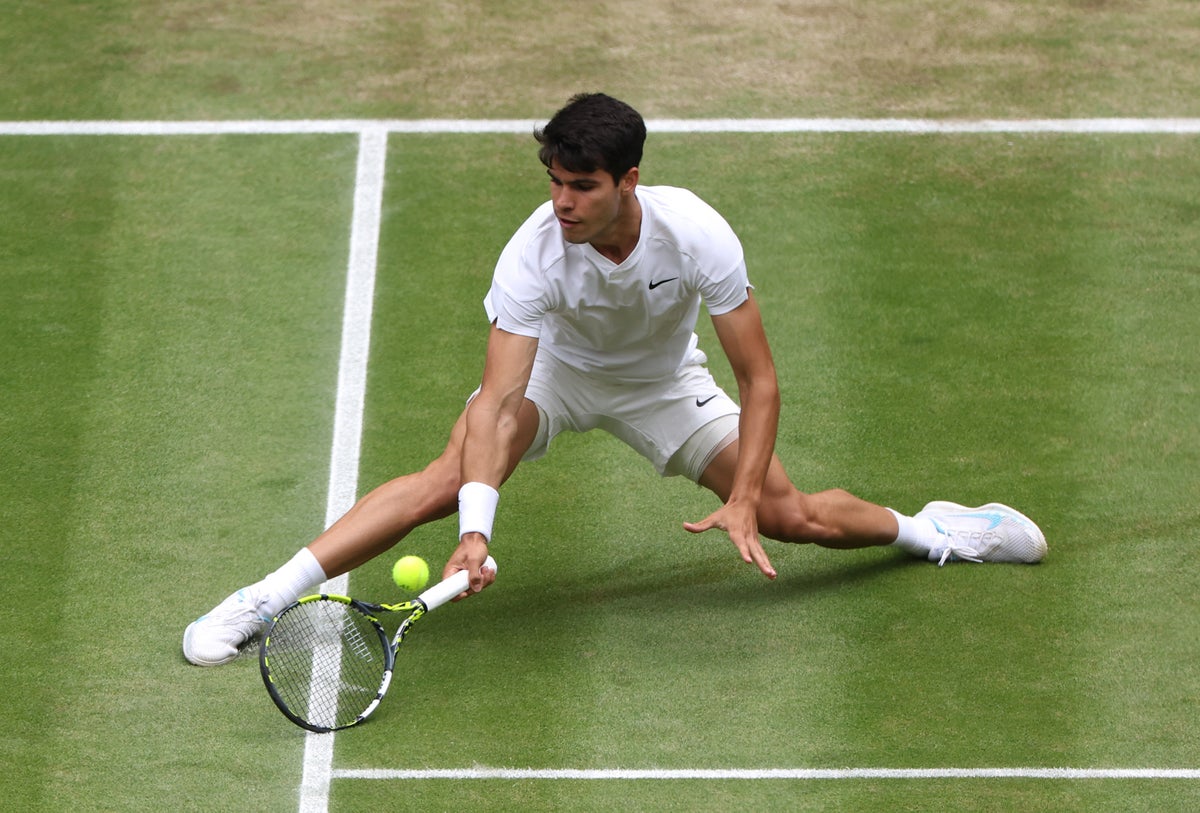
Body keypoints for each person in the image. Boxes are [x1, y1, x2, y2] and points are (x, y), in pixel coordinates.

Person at [183, 93, 1046, 667]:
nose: (563, 202)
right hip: (556, 375)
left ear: (628, 180)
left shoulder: (697, 233)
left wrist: (743, 497)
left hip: (664, 383)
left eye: (582, 186)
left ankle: (936, 530)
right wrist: (477, 530)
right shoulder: (532, 255)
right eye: (555, 182)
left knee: (795, 516)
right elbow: (498, 400)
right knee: (443, 483)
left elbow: (762, 379)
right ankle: (265, 598)